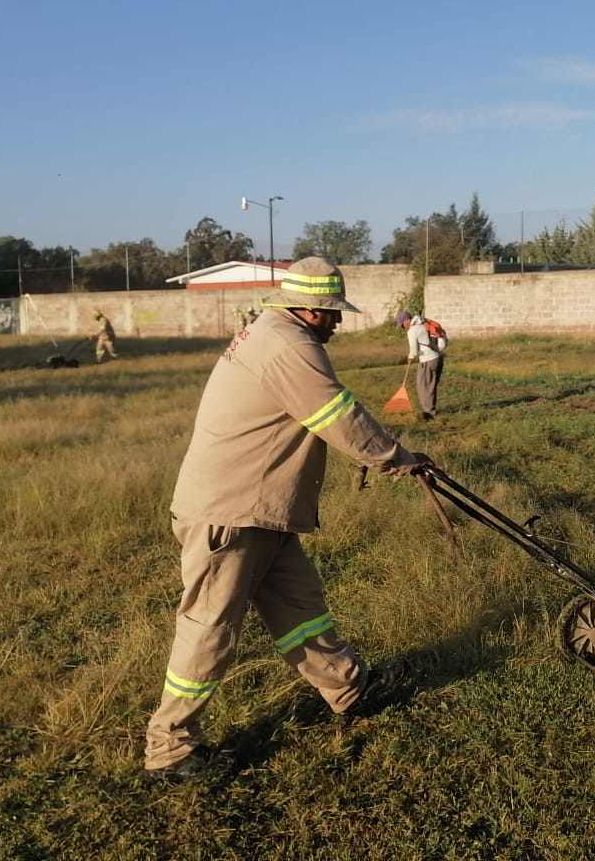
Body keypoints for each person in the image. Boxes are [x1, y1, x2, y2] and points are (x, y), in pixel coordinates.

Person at [144, 257, 430, 781]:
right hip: (230, 513)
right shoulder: (288, 345)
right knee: (209, 628)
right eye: (331, 313)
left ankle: (349, 687)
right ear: (308, 310)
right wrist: (398, 459)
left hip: (258, 510)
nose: (337, 321)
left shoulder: (272, 332)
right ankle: (171, 747)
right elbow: (337, 416)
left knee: (302, 606)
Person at [396, 310, 445, 421]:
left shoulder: (413, 331)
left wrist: (410, 357)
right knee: (430, 385)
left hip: (428, 360)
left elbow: (414, 350)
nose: (403, 328)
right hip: (438, 358)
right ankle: (430, 410)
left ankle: (429, 413)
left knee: (424, 387)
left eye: (402, 325)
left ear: (406, 321)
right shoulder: (423, 323)